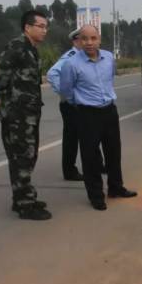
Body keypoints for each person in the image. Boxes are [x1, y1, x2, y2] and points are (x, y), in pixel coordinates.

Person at [59, 25, 137, 211]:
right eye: (84, 39)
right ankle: (96, 196)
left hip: (109, 111)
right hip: (87, 114)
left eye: (93, 38)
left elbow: (109, 79)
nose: (89, 43)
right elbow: (66, 91)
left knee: (113, 152)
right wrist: (81, 104)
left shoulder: (109, 58)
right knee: (90, 157)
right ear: (79, 40)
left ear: (99, 39)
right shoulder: (71, 64)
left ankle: (116, 187)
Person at [0, 10, 51, 220]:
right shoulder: (17, 46)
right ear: (27, 27)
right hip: (18, 114)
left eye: (46, 27)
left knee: (27, 156)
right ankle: (25, 204)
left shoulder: (32, 49)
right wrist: (3, 99)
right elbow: (0, 77)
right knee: (22, 158)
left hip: (29, 112)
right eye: (41, 26)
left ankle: (21, 198)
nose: (45, 30)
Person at [46, 29, 85, 181]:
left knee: (91, 134)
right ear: (75, 41)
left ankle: (98, 165)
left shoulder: (83, 56)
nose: (87, 42)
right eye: (82, 39)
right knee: (72, 138)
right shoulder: (71, 56)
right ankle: (69, 171)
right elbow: (52, 74)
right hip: (71, 105)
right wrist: (67, 95)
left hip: (82, 104)